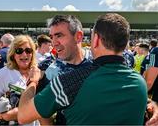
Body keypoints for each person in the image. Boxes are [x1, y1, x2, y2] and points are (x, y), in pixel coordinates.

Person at [18, 13, 147, 125]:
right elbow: (41, 113)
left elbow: (124, 88)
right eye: (51, 37)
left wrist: (151, 105)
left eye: (59, 35)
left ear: (79, 37)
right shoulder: (46, 67)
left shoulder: (97, 61)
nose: (54, 42)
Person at [0, 35, 40, 125]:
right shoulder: (3, 74)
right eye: (19, 51)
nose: (24, 54)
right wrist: (4, 117)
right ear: (13, 54)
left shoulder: (39, 72)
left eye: (28, 50)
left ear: (32, 53)